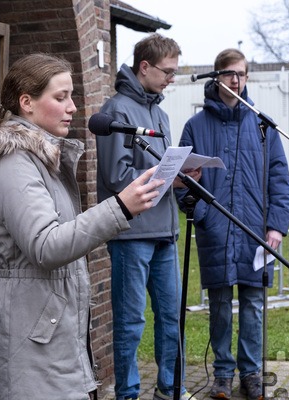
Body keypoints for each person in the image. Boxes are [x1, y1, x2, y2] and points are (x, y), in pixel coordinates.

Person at [0, 53, 165, 400]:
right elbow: (46, 246)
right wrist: (120, 206)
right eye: (60, 97)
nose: (73, 108)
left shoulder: (41, 159)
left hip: (48, 333)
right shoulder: (13, 162)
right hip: (27, 338)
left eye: (72, 96)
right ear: (27, 103)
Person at [177, 48, 289, 400]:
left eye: (241, 74)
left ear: (247, 78)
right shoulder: (195, 126)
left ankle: (251, 373)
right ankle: (223, 375)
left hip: (256, 233)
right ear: (216, 77)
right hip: (217, 231)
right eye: (228, 73)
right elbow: (181, 183)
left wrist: (276, 225)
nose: (235, 80)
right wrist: (199, 209)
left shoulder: (262, 125)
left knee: (254, 305)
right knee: (221, 306)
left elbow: (279, 179)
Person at [95, 33, 200, 400]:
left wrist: (184, 176)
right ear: (144, 67)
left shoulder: (161, 112)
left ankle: (171, 389)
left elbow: (160, 168)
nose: (172, 78)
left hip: (166, 232)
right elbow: (116, 177)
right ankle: (127, 394)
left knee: (172, 318)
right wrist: (167, 179)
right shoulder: (116, 111)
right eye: (167, 71)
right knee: (131, 323)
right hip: (131, 234)